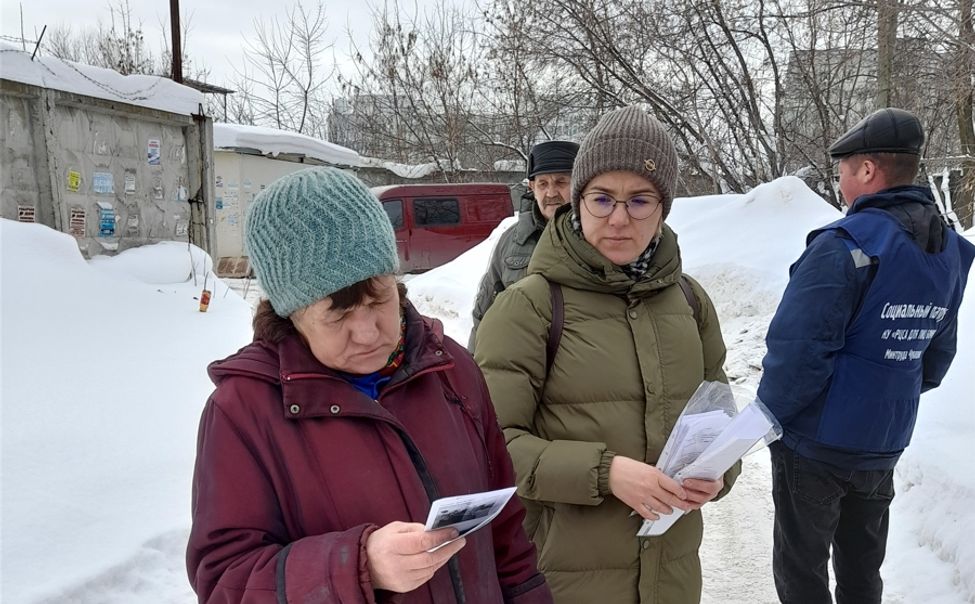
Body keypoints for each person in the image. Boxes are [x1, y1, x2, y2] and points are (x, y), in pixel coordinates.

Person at [186, 167, 553, 604]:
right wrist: (357, 567)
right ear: (290, 313)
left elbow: (505, 534)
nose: (368, 332)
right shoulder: (243, 410)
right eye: (337, 314)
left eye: (379, 297)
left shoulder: (450, 368)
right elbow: (226, 580)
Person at [473, 106, 740, 604]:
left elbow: (719, 416)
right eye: (602, 199)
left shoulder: (690, 302)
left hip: (672, 579)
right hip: (563, 581)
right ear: (577, 204)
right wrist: (605, 472)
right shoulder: (527, 308)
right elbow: (488, 449)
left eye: (639, 201)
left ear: (663, 209)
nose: (619, 219)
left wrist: (719, 472)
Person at [757, 107, 975, 603]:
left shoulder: (843, 245)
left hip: (814, 444)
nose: (840, 184)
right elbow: (936, 355)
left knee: (802, 572)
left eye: (843, 171)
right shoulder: (951, 253)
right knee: (862, 570)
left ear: (868, 171)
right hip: (884, 438)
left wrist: (771, 420)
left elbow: (796, 351)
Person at [469, 140, 579, 349]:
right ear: (532, 187)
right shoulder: (511, 241)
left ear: (579, 183)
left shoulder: (598, 238)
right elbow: (485, 310)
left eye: (561, 182)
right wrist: (474, 369)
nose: (551, 193)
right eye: (543, 184)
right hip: (519, 366)